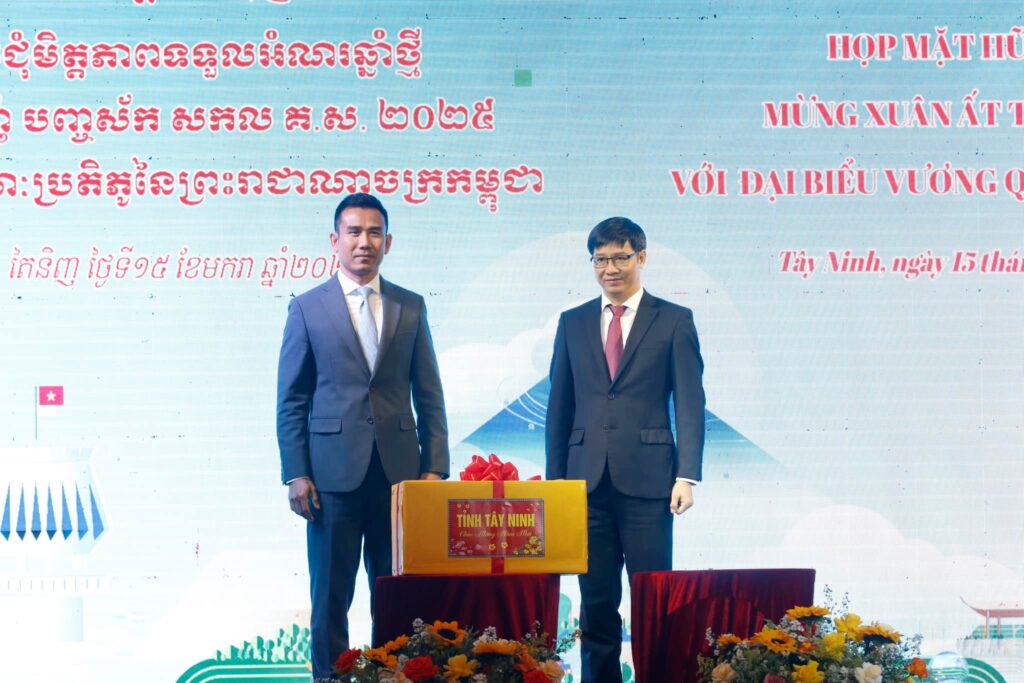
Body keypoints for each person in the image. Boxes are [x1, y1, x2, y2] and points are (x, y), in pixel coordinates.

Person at [276, 193, 449, 679]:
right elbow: (291, 399)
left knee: (396, 594)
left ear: (388, 242)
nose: (364, 242)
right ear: (335, 241)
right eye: (354, 232)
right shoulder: (307, 309)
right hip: (329, 479)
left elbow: (429, 393)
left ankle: (394, 677)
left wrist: (435, 467)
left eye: (375, 233)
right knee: (330, 595)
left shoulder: (410, 306)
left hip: (401, 478)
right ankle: (329, 678)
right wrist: (296, 473)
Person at [545, 217, 705, 683]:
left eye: (620, 258)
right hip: (584, 487)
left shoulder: (673, 320)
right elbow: (559, 407)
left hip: (650, 484)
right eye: (601, 259)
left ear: (642, 257)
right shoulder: (572, 322)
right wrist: (556, 486)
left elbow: (690, 402)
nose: (610, 269)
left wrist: (686, 475)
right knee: (595, 603)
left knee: (654, 601)